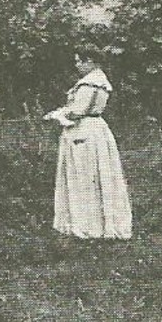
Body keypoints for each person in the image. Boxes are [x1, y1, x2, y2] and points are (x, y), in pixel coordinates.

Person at [47, 48, 133, 239]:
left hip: (84, 130)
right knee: (95, 174)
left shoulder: (89, 84)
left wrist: (57, 114)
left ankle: (87, 226)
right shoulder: (100, 81)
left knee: (83, 175)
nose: (77, 65)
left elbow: (77, 111)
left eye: (80, 61)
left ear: (91, 61)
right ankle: (98, 224)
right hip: (96, 129)